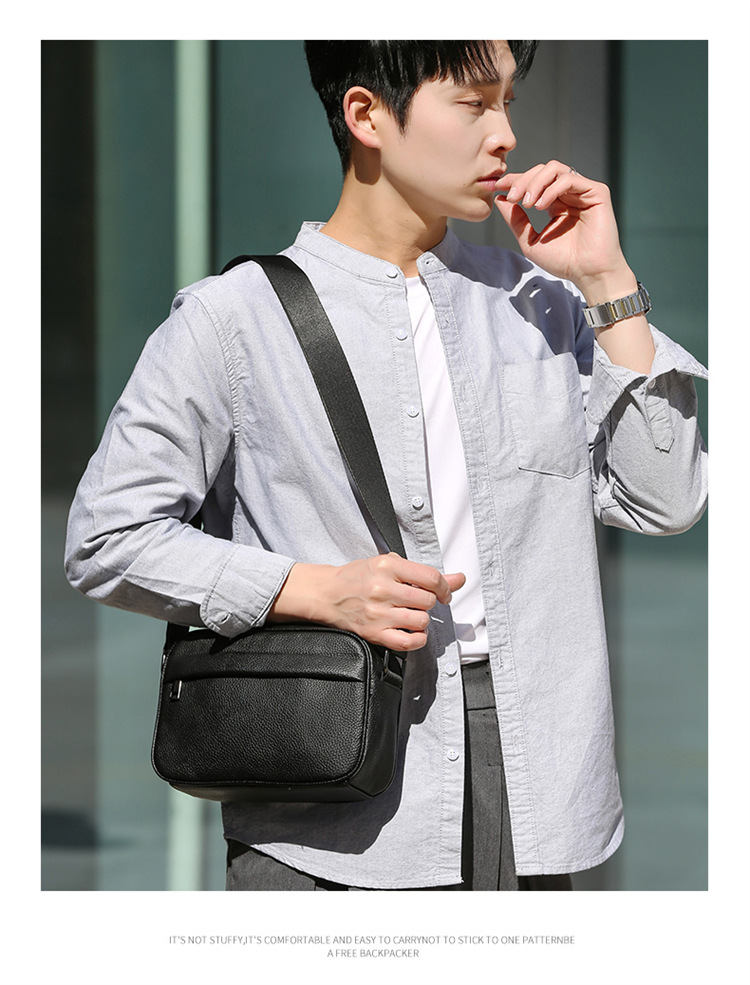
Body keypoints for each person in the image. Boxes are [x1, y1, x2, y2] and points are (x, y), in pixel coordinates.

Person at [65, 40, 708, 891]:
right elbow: (106, 536)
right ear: (367, 115)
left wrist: (606, 279)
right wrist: (312, 589)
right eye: (474, 103)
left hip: (536, 777)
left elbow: (667, 500)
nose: (506, 134)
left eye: (509, 101)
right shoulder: (232, 319)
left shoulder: (542, 304)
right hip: (329, 792)